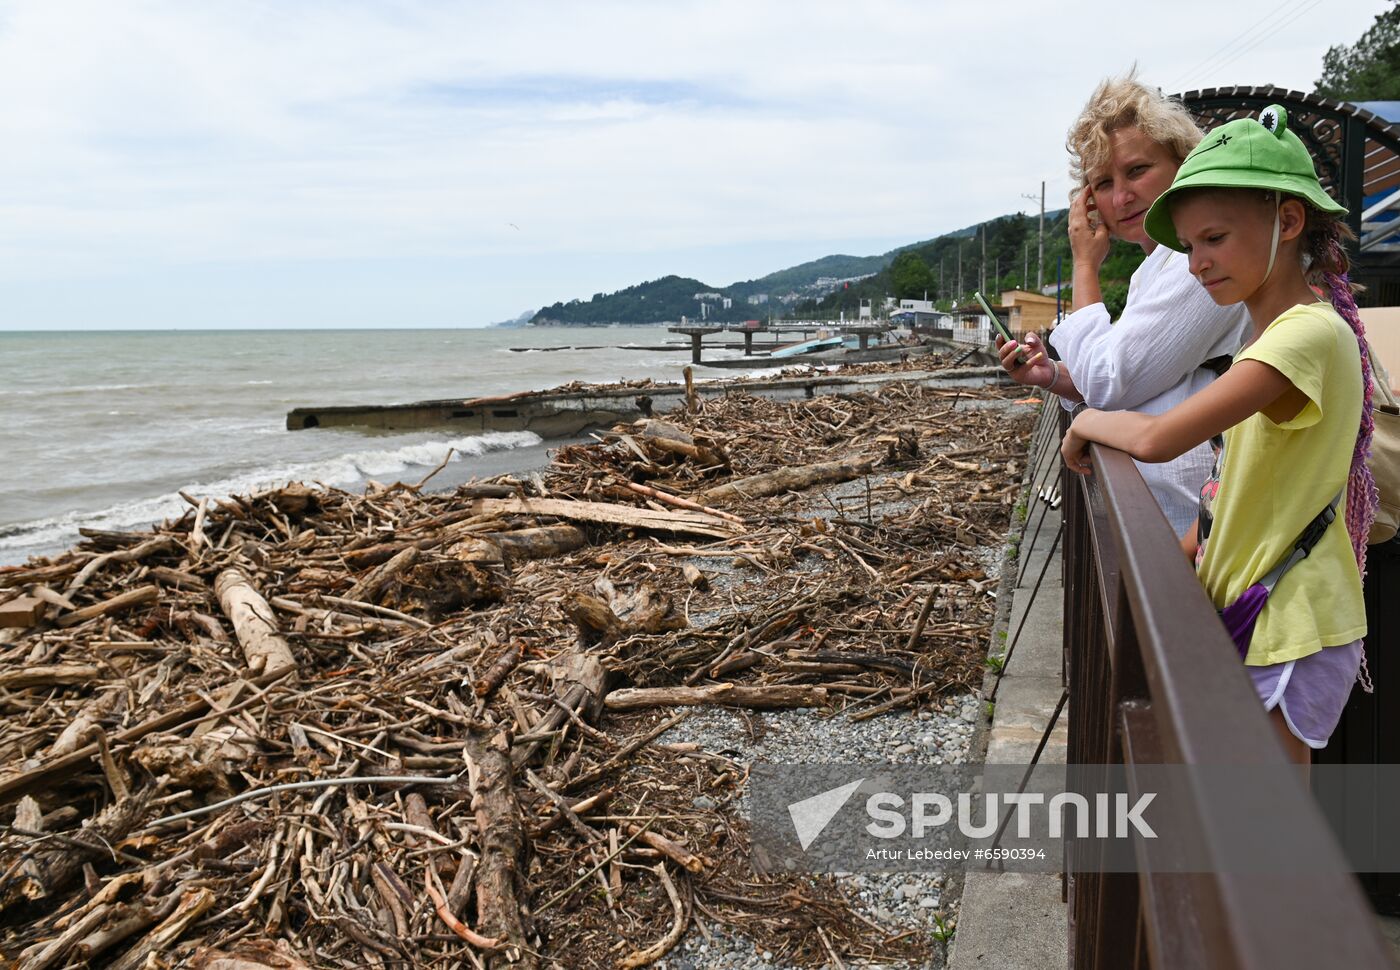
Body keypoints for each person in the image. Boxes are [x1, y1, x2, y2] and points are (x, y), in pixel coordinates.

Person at [1060, 105, 1378, 764]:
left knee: (1267, 827)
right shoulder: (1274, 335)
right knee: (1249, 809)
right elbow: (1235, 481)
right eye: (1189, 246)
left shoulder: (1305, 336)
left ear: (1287, 223)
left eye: (1214, 239)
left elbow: (1159, 438)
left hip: (1293, 618)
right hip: (1264, 607)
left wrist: (1086, 419)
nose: (1197, 264)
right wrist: (1183, 552)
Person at [997, 74, 1250, 537]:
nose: (1121, 196)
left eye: (1137, 170)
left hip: (1206, 537)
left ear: (1183, 163)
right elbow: (1142, 380)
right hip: (1181, 525)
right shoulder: (1154, 268)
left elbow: (1112, 382)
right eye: (1103, 183)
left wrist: (1085, 266)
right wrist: (1052, 376)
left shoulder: (1197, 265)